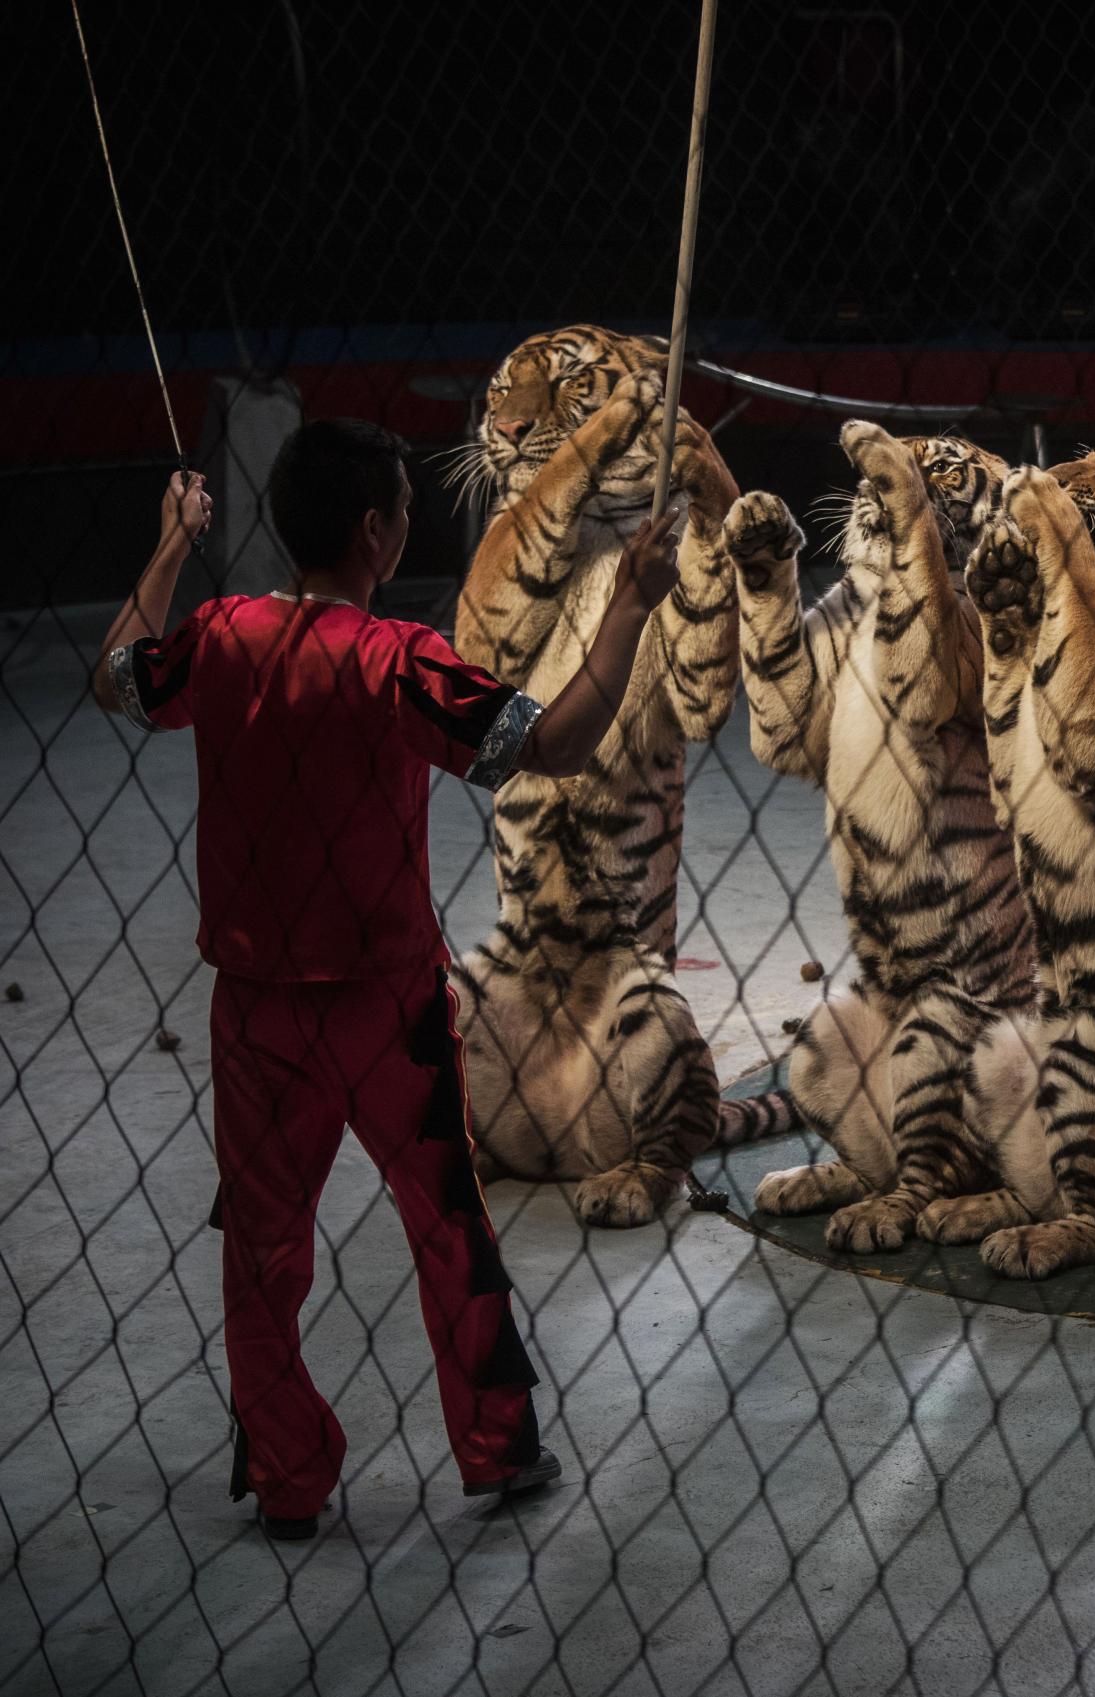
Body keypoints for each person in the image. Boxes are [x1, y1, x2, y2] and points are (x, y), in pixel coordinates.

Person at [90, 421, 684, 1541]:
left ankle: (288, 1475)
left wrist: (172, 544)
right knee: (447, 1221)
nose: (410, 522)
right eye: (406, 508)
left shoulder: (220, 636)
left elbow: (116, 674)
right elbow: (552, 741)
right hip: (388, 1005)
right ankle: (498, 1442)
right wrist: (633, 602)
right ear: (375, 532)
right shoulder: (396, 660)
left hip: (255, 1008)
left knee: (262, 1251)